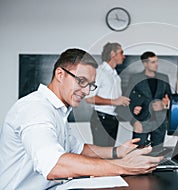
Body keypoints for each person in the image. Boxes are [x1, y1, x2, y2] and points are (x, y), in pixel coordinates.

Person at [0, 48, 162, 189]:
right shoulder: (35, 109)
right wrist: (124, 166)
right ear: (60, 74)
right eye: (81, 81)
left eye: (90, 85)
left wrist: (116, 151)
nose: (86, 91)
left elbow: (78, 149)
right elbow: (55, 165)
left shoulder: (58, 110)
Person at [85, 42, 130, 146]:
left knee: (109, 154)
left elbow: (117, 101)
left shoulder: (115, 75)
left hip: (113, 118)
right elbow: (90, 98)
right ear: (113, 54)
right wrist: (115, 101)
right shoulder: (99, 72)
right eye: (121, 53)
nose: (124, 56)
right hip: (101, 119)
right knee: (101, 156)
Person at [126, 51, 172, 148]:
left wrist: (165, 105)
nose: (156, 64)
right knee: (138, 153)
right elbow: (127, 101)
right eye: (153, 62)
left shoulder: (164, 78)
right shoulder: (135, 78)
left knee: (157, 154)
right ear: (145, 63)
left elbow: (170, 99)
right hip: (141, 122)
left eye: (156, 61)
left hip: (160, 122)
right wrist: (134, 121)